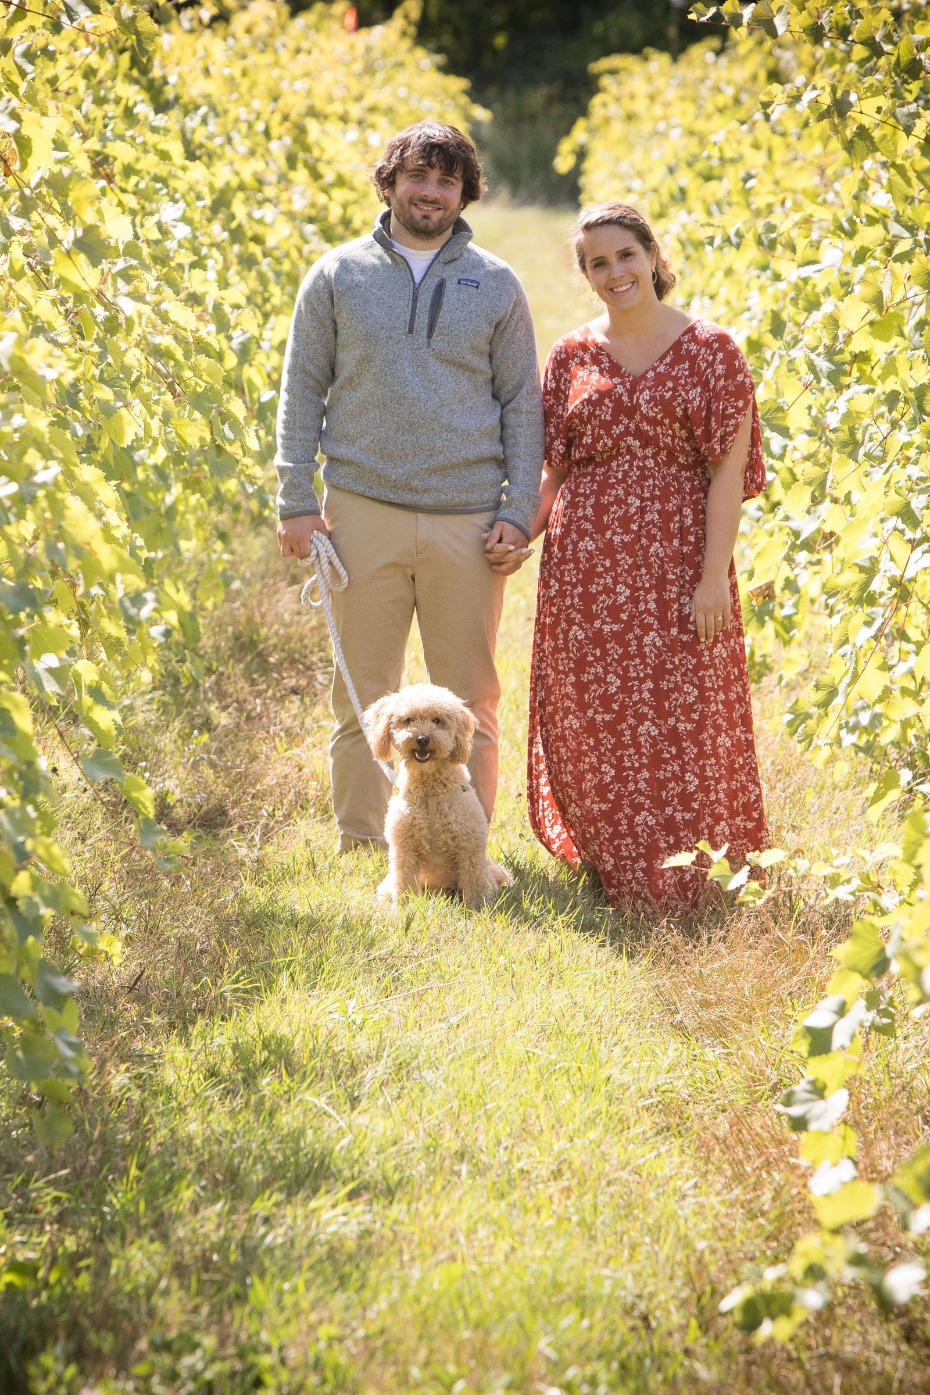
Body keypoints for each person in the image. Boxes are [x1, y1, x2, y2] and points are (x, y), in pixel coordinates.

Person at [275, 122, 543, 851]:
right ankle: (364, 842)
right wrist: (296, 498)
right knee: (363, 695)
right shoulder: (336, 275)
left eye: (447, 181)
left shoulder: (495, 282)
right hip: (361, 509)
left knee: (471, 701)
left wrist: (519, 512)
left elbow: (523, 401)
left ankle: (469, 850)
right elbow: (302, 389)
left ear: (465, 192)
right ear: (389, 183)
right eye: (418, 177)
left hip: (468, 517)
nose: (431, 192)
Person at [527, 202, 769, 909]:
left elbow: (728, 470)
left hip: (679, 560)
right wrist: (519, 533)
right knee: (593, 712)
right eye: (597, 263)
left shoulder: (713, 348)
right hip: (586, 571)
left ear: (652, 255)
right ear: (585, 275)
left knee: (688, 712)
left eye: (625, 255)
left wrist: (712, 577)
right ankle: (618, 867)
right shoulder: (571, 354)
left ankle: (696, 876)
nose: (615, 272)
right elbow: (554, 468)